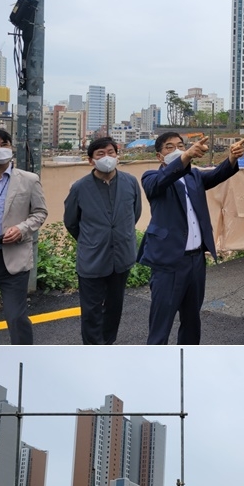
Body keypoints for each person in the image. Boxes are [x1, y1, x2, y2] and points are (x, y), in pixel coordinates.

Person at [138, 132, 244, 344]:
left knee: (192, 321)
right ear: (160, 157)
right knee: (161, 325)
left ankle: (188, 362)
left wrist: (232, 158)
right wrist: (186, 156)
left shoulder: (194, 176)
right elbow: (162, 181)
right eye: (170, 147)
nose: (178, 149)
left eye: (181, 145)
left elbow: (217, 175)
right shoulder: (151, 177)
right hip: (168, 263)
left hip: (195, 261)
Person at [64, 136, 142, 344]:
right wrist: (92, 240)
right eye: (100, 154)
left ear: (118, 155)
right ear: (91, 160)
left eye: (111, 153)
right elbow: (71, 222)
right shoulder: (80, 188)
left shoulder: (130, 182)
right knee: (91, 311)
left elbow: (135, 214)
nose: (106, 157)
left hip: (122, 257)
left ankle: (108, 344)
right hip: (92, 259)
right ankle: (92, 348)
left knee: (115, 307)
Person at [0, 127, 48, 344]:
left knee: (16, 317)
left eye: (4, 144)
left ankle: (23, 360)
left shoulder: (29, 179)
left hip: (13, 257)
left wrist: (22, 229)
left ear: (11, 147)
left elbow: (40, 212)